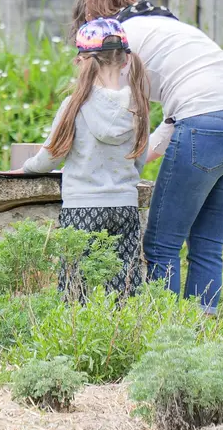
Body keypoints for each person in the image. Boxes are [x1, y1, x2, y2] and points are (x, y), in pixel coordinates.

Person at [74, 0, 223, 314]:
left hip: (205, 125)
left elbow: (115, 112)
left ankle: (165, 337)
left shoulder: (120, 38)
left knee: (162, 245)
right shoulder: (171, 27)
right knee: (206, 243)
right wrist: (145, 154)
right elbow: (176, 116)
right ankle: (201, 339)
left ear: (93, 16)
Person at [13, 18, 150, 297]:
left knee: (75, 285)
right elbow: (139, 160)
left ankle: (76, 339)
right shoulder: (138, 106)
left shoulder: (75, 104)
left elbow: (52, 155)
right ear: (124, 61)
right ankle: (122, 336)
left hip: (82, 209)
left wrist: (25, 168)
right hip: (124, 207)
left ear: (83, 61)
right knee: (124, 285)